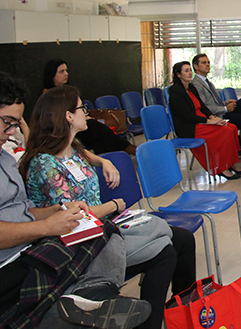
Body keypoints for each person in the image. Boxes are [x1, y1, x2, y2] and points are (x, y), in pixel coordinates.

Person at [19, 85, 196, 329]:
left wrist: (103, 161)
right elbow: (73, 214)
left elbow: (85, 155)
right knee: (166, 251)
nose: (86, 112)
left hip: (101, 229)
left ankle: (185, 312)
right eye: (82, 108)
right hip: (77, 244)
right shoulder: (45, 165)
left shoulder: (72, 147)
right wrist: (114, 205)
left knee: (183, 239)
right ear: (68, 116)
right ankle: (153, 322)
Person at [0, 72, 151, 329]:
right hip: (12, 262)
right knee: (103, 235)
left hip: (28, 247)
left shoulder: (5, 159)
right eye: (8, 122)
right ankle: (77, 303)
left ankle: (91, 297)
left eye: (16, 124)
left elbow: (25, 211)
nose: (13, 131)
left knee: (106, 232)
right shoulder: (43, 163)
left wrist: (56, 211)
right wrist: (46, 227)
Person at [42, 59, 136, 156]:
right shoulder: (48, 96)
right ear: (52, 75)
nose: (66, 74)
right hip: (65, 131)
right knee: (97, 129)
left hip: (78, 126)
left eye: (66, 70)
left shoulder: (69, 91)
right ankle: (128, 149)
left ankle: (108, 158)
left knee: (98, 138)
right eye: (61, 71)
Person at [168, 61, 241, 180]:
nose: (190, 73)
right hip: (190, 126)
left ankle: (232, 163)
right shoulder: (175, 92)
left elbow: (202, 106)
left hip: (201, 120)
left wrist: (211, 116)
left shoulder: (191, 88)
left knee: (232, 127)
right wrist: (208, 121)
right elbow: (187, 116)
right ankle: (222, 167)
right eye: (186, 71)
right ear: (178, 75)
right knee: (225, 131)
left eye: (190, 70)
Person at [190, 54, 241, 163]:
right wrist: (225, 109)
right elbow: (204, 107)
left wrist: (225, 103)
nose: (208, 65)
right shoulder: (196, 85)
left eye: (208, 62)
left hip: (222, 111)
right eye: (204, 63)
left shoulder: (207, 82)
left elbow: (215, 102)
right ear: (196, 67)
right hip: (216, 116)